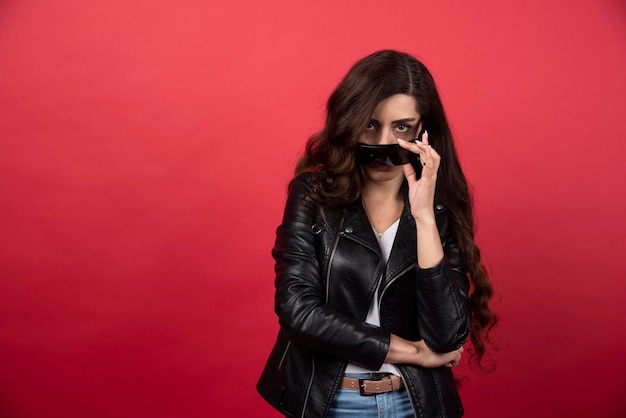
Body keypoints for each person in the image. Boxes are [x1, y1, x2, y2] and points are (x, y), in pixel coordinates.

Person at [257, 50, 497, 418]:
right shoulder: (312, 194)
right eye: (370, 126)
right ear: (349, 123)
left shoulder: (439, 205)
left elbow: (448, 336)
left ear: (423, 129)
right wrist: (411, 351)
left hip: (412, 403)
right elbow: (299, 312)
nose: (383, 145)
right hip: (329, 402)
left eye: (401, 127)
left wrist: (424, 218)